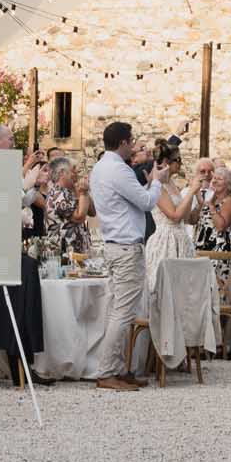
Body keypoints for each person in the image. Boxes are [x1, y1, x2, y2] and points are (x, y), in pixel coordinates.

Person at [88, 121, 168, 392]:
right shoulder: (118, 170)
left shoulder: (100, 167)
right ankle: (107, 371)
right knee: (122, 312)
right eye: (131, 141)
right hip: (125, 247)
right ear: (122, 142)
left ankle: (119, 368)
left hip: (114, 244)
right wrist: (156, 183)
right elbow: (146, 202)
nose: (134, 145)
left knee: (119, 310)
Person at [45, 155, 90, 257]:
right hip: (65, 253)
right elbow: (79, 217)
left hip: (75, 252)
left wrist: (84, 190)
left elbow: (92, 212)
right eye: (72, 171)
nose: (75, 175)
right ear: (62, 173)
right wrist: (83, 193)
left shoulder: (68, 192)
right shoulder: (57, 195)